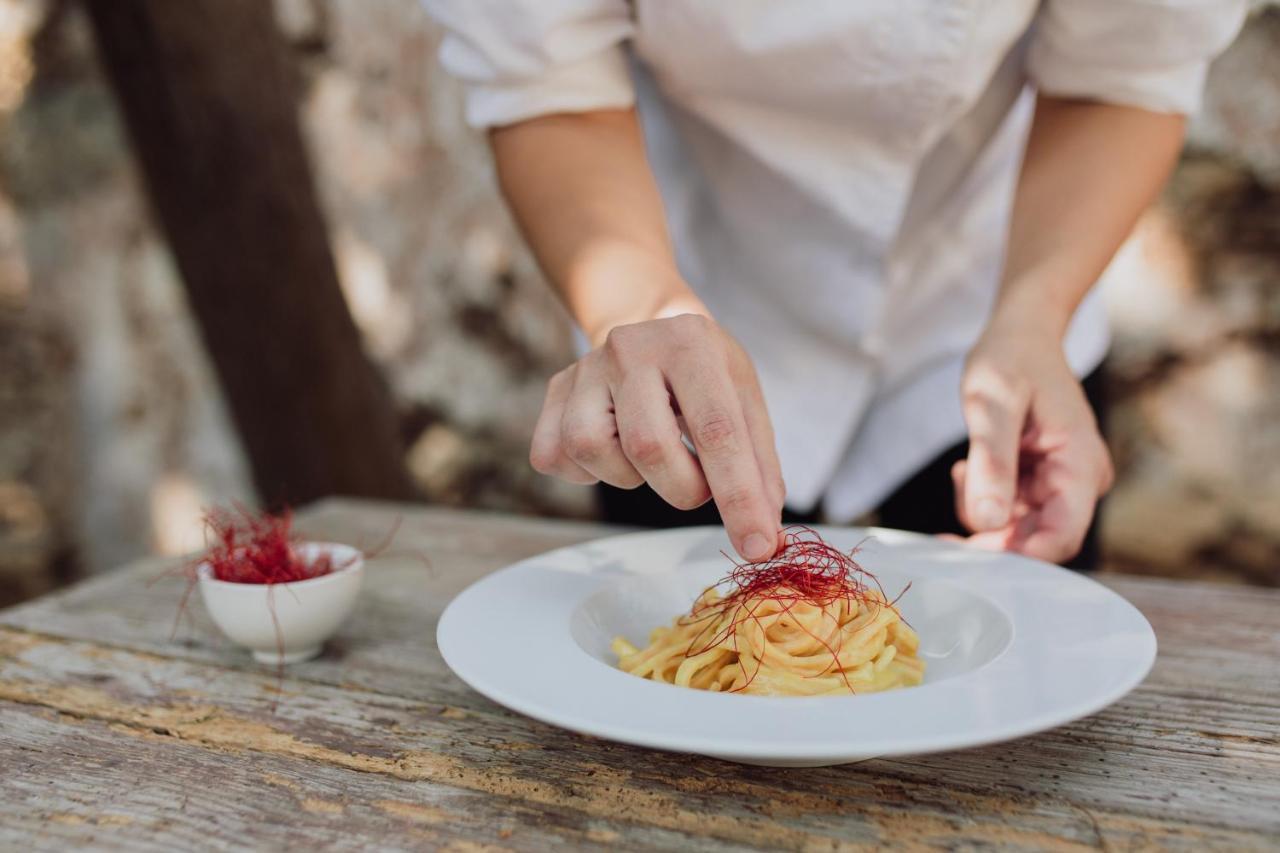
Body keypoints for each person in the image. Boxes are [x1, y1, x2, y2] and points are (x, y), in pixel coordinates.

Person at [421, 2, 1245, 566]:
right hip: (682, 296)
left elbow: (1121, 71)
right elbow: (551, 85)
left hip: (987, 290)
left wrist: (1036, 310)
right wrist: (639, 305)